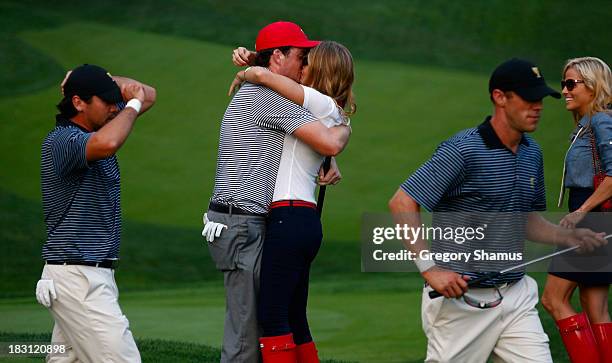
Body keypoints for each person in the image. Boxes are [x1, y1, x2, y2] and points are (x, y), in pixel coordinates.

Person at [388, 58, 607, 363]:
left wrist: (569, 236)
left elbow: (527, 220)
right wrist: (430, 268)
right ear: (499, 97)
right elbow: (402, 201)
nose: (538, 107)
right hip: (462, 303)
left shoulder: (533, 152)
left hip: (516, 296)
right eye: (529, 99)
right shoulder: (462, 149)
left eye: (541, 99)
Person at [202, 22, 351, 363]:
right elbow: (328, 136)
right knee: (246, 334)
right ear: (279, 57)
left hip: (247, 220)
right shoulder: (267, 97)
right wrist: (343, 131)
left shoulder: (267, 90)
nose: (306, 64)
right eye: (302, 56)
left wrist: (252, 65)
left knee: (261, 324)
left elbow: (311, 140)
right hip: (243, 222)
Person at [35, 64, 156, 362]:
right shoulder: (62, 141)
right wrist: (132, 103)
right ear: (78, 103)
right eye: (106, 100)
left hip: (86, 274)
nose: (116, 107)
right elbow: (109, 143)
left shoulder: (101, 125)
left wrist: (104, 81)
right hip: (78, 278)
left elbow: (149, 95)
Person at [541, 57, 612, 363]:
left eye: (572, 84)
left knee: (553, 299)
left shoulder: (600, 120)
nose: (565, 91)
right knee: (593, 305)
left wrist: (582, 210)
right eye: (564, 84)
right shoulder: (589, 124)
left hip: (592, 220)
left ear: (594, 86)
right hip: (601, 220)